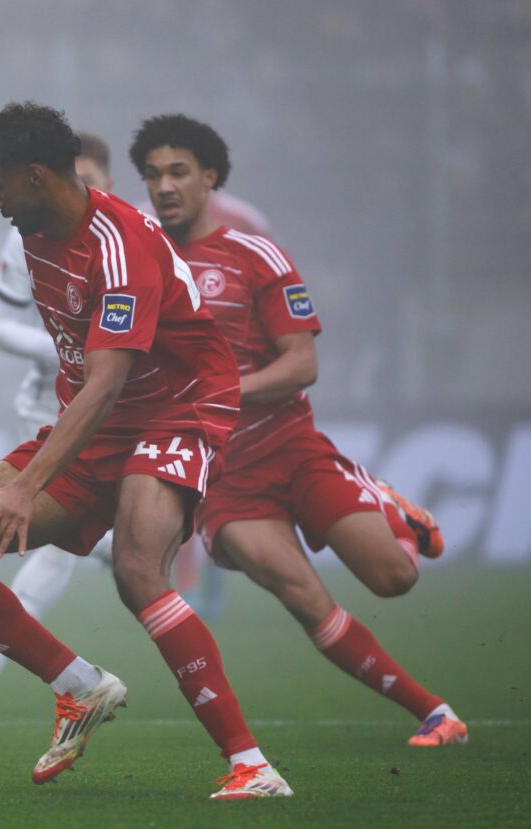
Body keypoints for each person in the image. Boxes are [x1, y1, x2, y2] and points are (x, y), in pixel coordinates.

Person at [0, 101, 291, 800]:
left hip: (178, 410)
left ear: (38, 176)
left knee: (138, 569)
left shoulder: (120, 242)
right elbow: (86, 379)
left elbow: (108, 379)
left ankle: (252, 765)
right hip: (97, 426)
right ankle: (79, 686)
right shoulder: (36, 237)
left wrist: (24, 486)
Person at [129, 113, 465, 748]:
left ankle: (391, 506)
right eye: (152, 175)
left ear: (210, 178)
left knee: (395, 579)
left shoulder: (253, 253)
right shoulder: (142, 265)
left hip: (292, 450)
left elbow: (301, 364)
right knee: (302, 595)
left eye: (178, 172)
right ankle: (435, 713)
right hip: (224, 481)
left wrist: (221, 392)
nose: (164, 186)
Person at [0, 132, 115, 701]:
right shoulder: (25, 237)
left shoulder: (129, 239)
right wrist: (74, 345)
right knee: (56, 540)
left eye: (94, 181)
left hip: (122, 409)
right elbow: (2, 328)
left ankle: (116, 552)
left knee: (99, 544)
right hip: (49, 406)